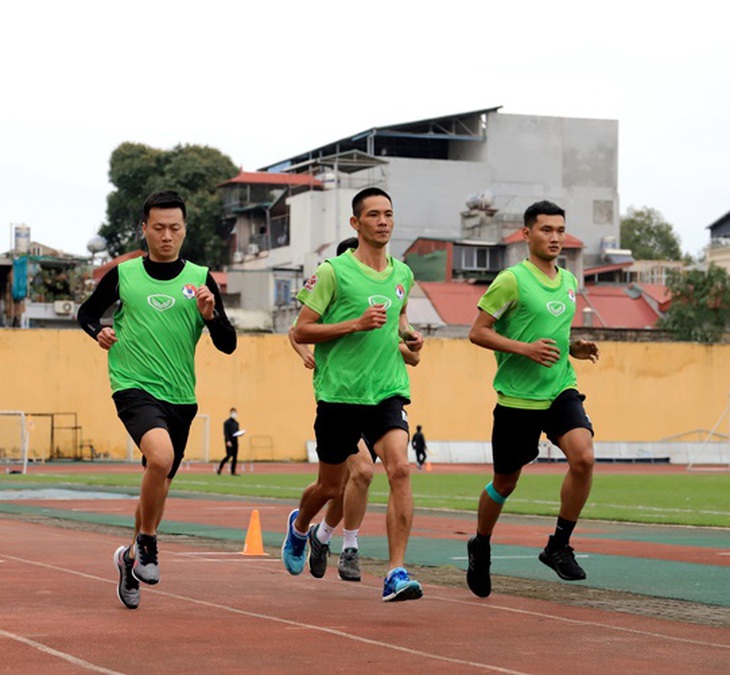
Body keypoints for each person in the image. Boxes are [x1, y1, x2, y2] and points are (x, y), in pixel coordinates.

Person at [77, 190, 237, 610]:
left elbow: (228, 344)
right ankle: (147, 543)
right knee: (160, 458)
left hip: (180, 397)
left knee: (158, 487)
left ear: (185, 230)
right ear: (144, 229)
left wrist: (211, 317)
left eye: (175, 228)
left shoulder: (201, 279)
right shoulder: (124, 275)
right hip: (132, 385)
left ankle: (129, 559)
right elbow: (87, 312)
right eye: (159, 227)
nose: (167, 236)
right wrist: (99, 332)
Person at [282, 187, 425, 601]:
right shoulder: (333, 273)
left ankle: (396, 572)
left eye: (389, 214)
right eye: (374, 215)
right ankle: (299, 527)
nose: (383, 221)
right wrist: (354, 325)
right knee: (330, 487)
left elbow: (398, 322)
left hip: (386, 392)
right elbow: (302, 329)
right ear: (355, 223)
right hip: (339, 395)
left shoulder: (403, 274)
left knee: (400, 468)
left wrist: (410, 338)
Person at [466, 200, 599, 599]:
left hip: (560, 388)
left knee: (585, 457)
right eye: (546, 230)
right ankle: (481, 544)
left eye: (560, 230)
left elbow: (553, 335)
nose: (555, 237)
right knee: (505, 483)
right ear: (527, 234)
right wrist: (524, 349)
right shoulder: (511, 280)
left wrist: (574, 347)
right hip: (518, 398)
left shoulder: (569, 282)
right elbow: (477, 332)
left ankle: (558, 545)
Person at [217, 407, 242, 475]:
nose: (234, 414)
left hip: (235, 441)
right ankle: (220, 468)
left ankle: (233, 471)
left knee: (235, 457)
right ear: (230, 413)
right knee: (228, 455)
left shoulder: (236, 423)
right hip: (229, 441)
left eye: (235, 413)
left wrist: (240, 433)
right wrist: (227, 441)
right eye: (233, 413)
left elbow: (237, 432)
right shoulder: (227, 423)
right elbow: (226, 433)